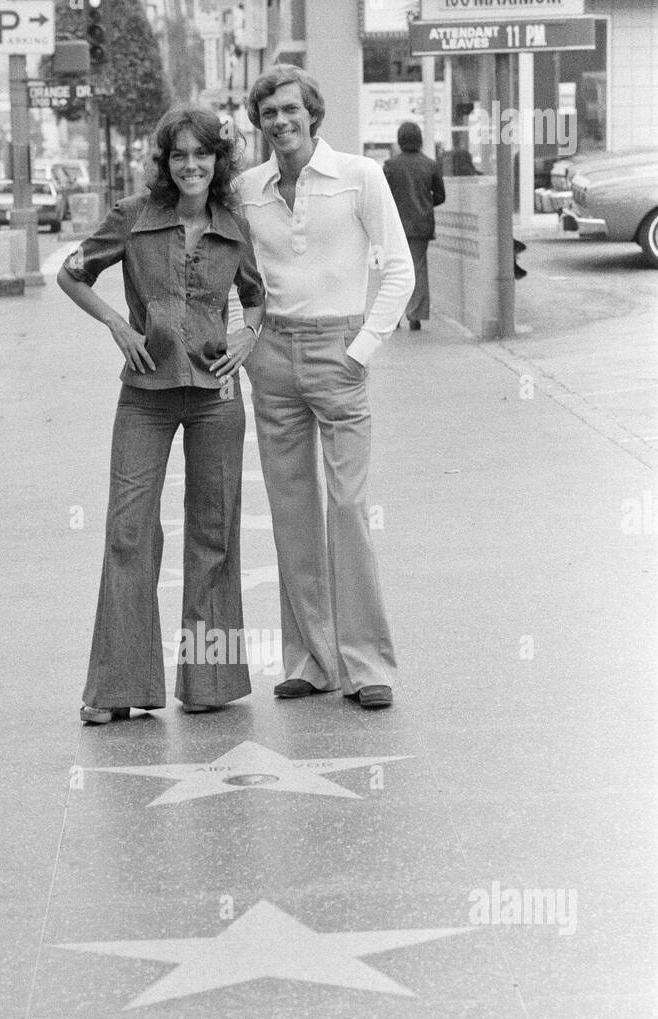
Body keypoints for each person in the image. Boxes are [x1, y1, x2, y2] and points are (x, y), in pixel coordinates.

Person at [57, 106, 265, 725]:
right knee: (129, 530)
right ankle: (118, 686)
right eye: (178, 155)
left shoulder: (234, 223)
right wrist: (117, 323)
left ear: (217, 161)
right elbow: (73, 275)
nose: (191, 165)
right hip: (144, 393)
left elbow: (255, 299)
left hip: (216, 397)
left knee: (213, 532)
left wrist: (247, 338)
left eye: (201, 154)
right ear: (165, 163)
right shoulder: (133, 217)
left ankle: (210, 683)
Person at [236, 66, 414, 711]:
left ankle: (367, 664)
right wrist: (246, 346)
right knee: (291, 514)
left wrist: (361, 349)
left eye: (290, 110)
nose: (280, 122)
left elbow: (399, 269)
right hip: (273, 357)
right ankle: (311, 659)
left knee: (346, 508)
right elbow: (240, 279)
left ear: (312, 113)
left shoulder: (360, 176)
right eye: (268, 114)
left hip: (339, 350)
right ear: (258, 122)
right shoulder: (246, 188)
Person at [383, 120, 446, 331]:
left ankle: (395, 316)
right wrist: (426, 203)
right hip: (422, 225)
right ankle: (415, 316)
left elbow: (385, 197)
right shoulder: (430, 164)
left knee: (395, 270)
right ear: (419, 140)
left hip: (396, 226)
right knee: (417, 269)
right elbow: (440, 196)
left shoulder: (391, 166)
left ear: (400, 140)